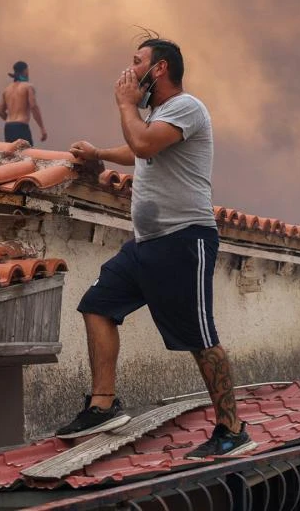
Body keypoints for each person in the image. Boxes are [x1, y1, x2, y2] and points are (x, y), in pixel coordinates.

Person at [61, 36, 256, 459]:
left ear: (160, 68)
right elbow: (139, 149)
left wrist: (125, 105)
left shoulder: (187, 107)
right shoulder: (157, 117)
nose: (129, 72)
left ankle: (232, 429)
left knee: (200, 339)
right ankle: (103, 404)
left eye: (137, 63)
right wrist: (99, 153)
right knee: (97, 305)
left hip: (185, 241)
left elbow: (145, 143)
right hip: (145, 245)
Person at [0, 61, 47, 144]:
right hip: (21, 126)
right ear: (25, 71)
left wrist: (11, 121)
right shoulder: (28, 87)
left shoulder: (7, 90)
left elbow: (0, 112)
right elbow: (33, 106)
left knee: (13, 155)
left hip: (8, 127)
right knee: (27, 155)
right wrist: (42, 128)